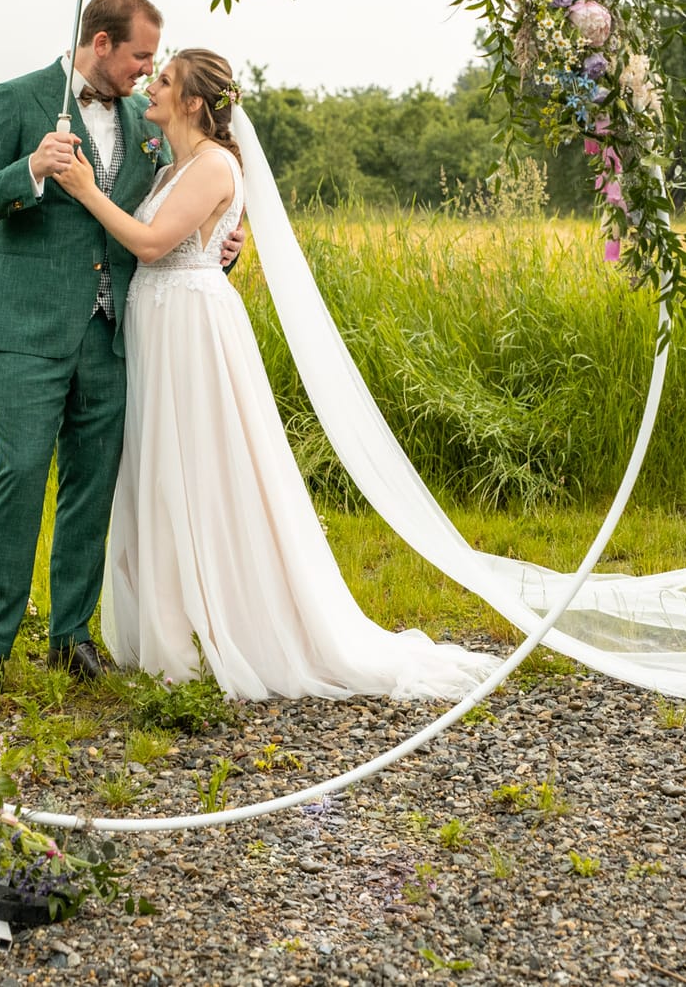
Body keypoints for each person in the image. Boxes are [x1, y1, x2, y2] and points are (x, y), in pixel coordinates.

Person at [52, 48, 498, 699]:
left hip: (191, 329)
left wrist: (86, 189)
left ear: (196, 103)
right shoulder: (170, 165)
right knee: (157, 471)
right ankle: (172, 631)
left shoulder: (213, 164)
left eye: (166, 79)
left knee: (198, 472)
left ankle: (227, 625)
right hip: (156, 321)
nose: (152, 84)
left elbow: (151, 244)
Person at [0, 0, 240, 693]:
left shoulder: (146, 119)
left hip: (116, 331)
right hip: (30, 326)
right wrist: (31, 171)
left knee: (93, 484)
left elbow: (166, 211)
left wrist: (218, 250)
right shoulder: (18, 99)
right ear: (102, 43)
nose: (148, 70)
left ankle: (71, 635)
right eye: (141, 55)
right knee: (20, 474)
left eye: (155, 60)